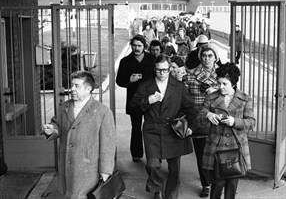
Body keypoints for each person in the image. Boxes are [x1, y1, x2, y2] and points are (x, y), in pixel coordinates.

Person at [129, 54, 196, 199]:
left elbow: (190, 108)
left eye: (165, 70)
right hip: (152, 129)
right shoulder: (145, 86)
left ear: (170, 69)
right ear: (154, 69)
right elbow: (133, 105)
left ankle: (171, 193)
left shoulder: (178, 87)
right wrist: (147, 100)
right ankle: (157, 187)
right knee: (152, 165)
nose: (162, 73)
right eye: (159, 70)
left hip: (172, 130)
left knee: (174, 168)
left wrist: (191, 126)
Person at [42, 71, 116, 199]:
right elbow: (57, 125)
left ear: (88, 89)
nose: (72, 89)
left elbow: (108, 145)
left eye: (77, 86)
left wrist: (105, 171)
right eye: (72, 85)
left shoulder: (103, 112)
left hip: (88, 170)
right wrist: (51, 129)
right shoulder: (63, 107)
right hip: (67, 167)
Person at [198, 63, 255, 199]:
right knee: (217, 184)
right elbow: (199, 117)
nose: (220, 87)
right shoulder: (211, 98)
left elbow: (251, 122)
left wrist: (234, 121)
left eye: (225, 84)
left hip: (236, 147)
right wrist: (208, 115)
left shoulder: (245, 99)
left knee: (232, 186)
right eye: (219, 83)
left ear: (233, 83)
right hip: (216, 148)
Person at [185, 47, 219, 197]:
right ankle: (206, 184)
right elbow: (186, 97)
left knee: (217, 154)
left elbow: (231, 94)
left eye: (210, 55)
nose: (207, 58)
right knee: (202, 155)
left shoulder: (223, 75)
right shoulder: (191, 75)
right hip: (198, 119)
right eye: (204, 56)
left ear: (215, 57)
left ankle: (217, 181)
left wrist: (215, 91)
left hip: (217, 119)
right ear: (200, 57)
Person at [116, 34, 156, 162]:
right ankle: (137, 154)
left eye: (139, 46)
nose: (136, 48)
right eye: (134, 45)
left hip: (151, 99)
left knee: (152, 127)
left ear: (144, 46)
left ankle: (154, 155)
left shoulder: (152, 59)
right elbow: (119, 81)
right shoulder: (125, 61)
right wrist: (129, 80)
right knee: (136, 127)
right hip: (134, 100)